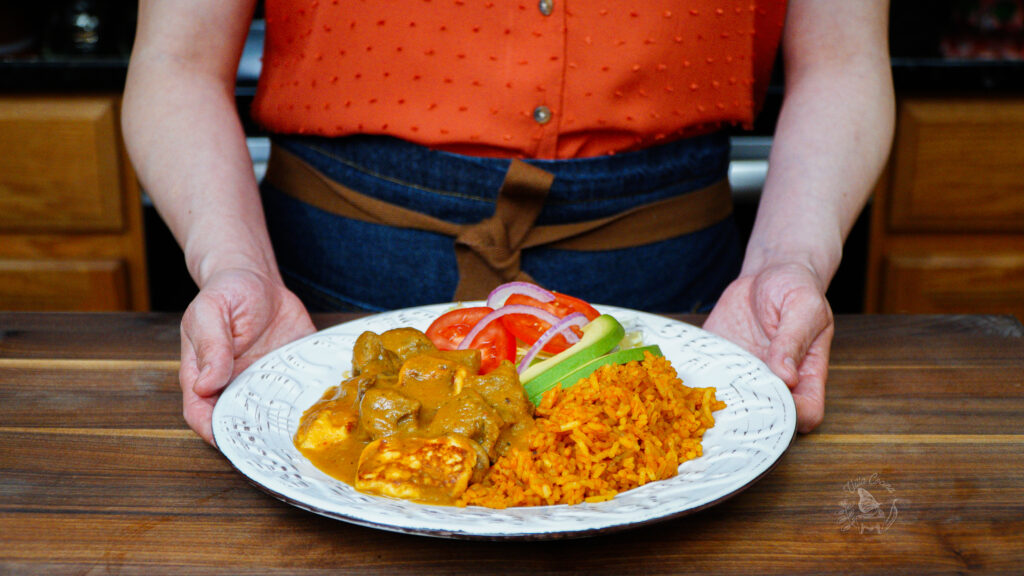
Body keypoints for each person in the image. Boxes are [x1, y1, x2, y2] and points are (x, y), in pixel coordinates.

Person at [122, 0, 895, 445]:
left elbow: (840, 59)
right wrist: (236, 266)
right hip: (325, 287)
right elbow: (178, 62)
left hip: (689, 296)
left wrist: (785, 263)